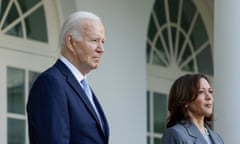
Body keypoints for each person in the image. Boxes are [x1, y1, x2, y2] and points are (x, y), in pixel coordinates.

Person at [26, 11, 109, 144]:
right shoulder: (51, 83)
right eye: (94, 40)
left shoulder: (82, 86)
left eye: (102, 42)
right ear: (71, 42)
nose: (101, 49)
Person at [162, 74, 224, 144]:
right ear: (185, 99)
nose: (209, 97)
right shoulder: (175, 134)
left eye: (210, 91)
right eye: (201, 92)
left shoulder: (217, 138)